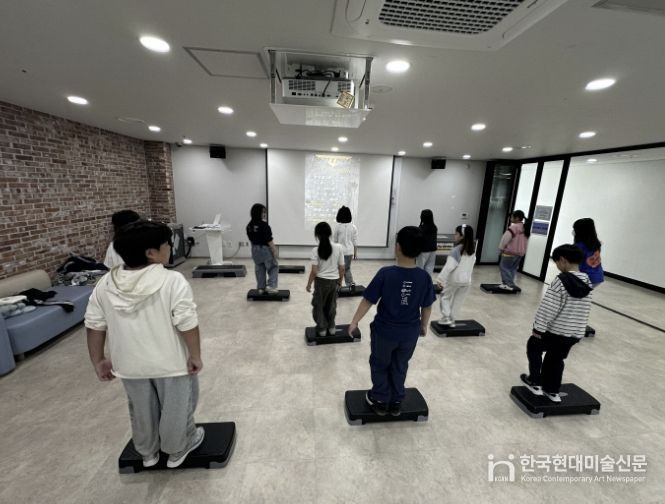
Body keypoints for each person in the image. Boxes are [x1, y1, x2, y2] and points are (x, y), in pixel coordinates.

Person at [85, 220, 204, 468]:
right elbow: (187, 322)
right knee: (177, 407)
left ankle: (148, 453)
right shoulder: (173, 280)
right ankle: (178, 448)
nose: (170, 247)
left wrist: (98, 361)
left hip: (129, 364)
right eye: (166, 244)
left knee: (141, 409)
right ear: (151, 253)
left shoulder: (105, 284)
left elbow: (94, 324)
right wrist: (195, 355)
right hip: (171, 364)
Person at [348, 226, 436, 417]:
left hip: (384, 333)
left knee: (380, 363)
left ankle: (380, 399)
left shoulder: (385, 273)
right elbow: (427, 306)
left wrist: (354, 322)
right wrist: (424, 325)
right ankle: (396, 400)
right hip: (410, 333)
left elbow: (368, 300)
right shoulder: (424, 277)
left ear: (397, 247)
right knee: (400, 364)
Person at [520, 244, 592, 403]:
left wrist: (538, 328)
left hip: (555, 331)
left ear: (563, 260)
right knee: (556, 358)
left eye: (557, 262)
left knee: (533, 347)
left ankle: (535, 382)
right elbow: (584, 309)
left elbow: (548, 307)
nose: (557, 266)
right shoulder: (587, 281)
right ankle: (552, 391)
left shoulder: (561, 281)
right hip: (573, 333)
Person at [306, 222, 345, 337]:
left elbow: (314, 271)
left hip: (320, 282)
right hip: (334, 282)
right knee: (331, 305)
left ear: (317, 235)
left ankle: (322, 329)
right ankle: (331, 327)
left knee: (318, 305)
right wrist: (340, 282)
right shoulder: (339, 247)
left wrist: (309, 284)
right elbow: (342, 268)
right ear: (330, 233)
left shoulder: (315, 250)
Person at [435, 224, 476, 327]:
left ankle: (446, 317)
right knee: (458, 301)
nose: (455, 235)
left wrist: (440, 279)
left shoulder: (456, 250)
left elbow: (448, 267)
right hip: (467, 281)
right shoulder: (472, 250)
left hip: (454, 280)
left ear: (462, 236)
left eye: (456, 233)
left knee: (445, 297)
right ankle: (452, 320)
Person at [246, 203, 279, 294]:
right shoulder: (264, 225)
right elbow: (269, 240)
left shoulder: (249, 226)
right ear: (258, 212)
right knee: (273, 267)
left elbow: (251, 239)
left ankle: (261, 287)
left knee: (260, 268)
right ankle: (271, 286)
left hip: (254, 249)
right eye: (263, 212)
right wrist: (274, 250)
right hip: (265, 249)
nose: (264, 214)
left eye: (265, 212)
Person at [498, 210, 530, 290]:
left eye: (512, 217)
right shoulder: (525, 228)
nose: (510, 218)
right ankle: (508, 284)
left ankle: (508, 284)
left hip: (510, 252)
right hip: (520, 253)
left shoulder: (513, 227)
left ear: (517, 218)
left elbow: (505, 239)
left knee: (504, 267)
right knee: (512, 269)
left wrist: (501, 249)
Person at [573, 218, 604, 288]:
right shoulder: (596, 243)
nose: (573, 231)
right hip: (598, 276)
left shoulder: (579, 246)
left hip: (586, 278)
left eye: (575, 229)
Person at [333, 206, 358, 289]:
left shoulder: (338, 227)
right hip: (350, 252)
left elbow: (335, 241)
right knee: (347, 269)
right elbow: (355, 241)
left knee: (338, 269)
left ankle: (337, 285)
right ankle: (350, 284)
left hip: (340, 251)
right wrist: (355, 253)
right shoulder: (353, 227)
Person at [416, 209, 438, 277]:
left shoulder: (421, 228)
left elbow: (419, 240)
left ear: (423, 217)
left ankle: (420, 281)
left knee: (420, 267)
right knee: (430, 267)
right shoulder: (434, 227)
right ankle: (427, 280)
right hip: (433, 250)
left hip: (423, 251)